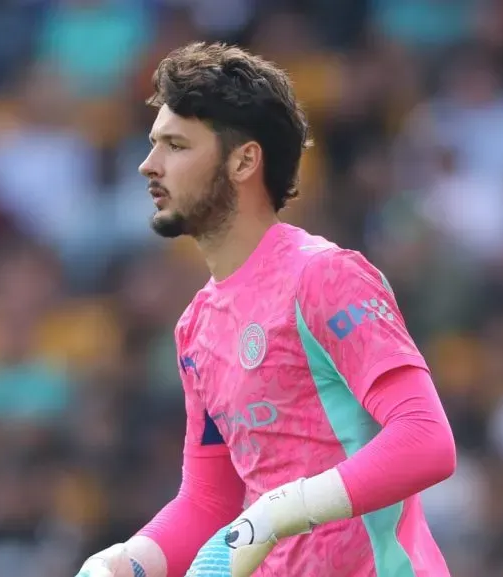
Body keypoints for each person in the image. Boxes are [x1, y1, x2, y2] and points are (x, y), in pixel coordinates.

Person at [76, 42, 456, 577]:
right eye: (152, 144)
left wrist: (282, 509)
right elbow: (209, 503)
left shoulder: (325, 276)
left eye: (176, 146)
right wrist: (124, 563)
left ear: (244, 160)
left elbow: (426, 441)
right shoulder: (197, 326)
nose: (148, 165)